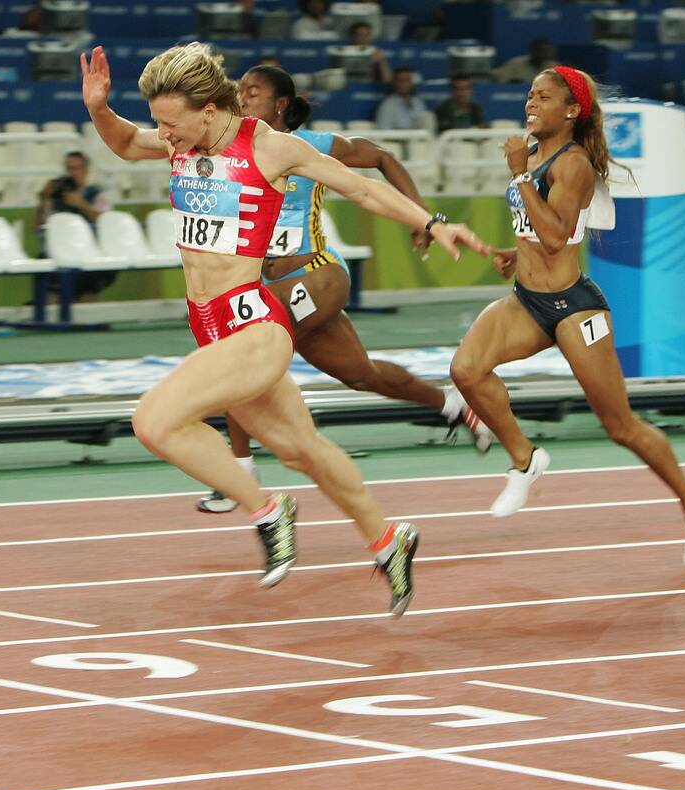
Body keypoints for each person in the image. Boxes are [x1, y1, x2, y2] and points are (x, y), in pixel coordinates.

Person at [79, 43, 490, 615]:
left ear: (207, 108)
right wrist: (99, 107)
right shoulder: (183, 139)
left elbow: (363, 187)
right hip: (211, 327)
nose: (163, 136)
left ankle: (268, 510)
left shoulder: (270, 147)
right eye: (159, 124)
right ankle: (388, 537)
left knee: (154, 420)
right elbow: (124, 142)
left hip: (252, 323)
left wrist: (433, 222)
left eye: (170, 125)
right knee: (305, 450)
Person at [449, 65, 685, 566]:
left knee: (620, 427)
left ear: (572, 111)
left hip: (574, 307)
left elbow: (555, 234)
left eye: (544, 97)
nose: (531, 102)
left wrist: (518, 175)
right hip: (526, 300)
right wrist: (516, 249)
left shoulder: (570, 164)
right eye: (529, 93)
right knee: (465, 370)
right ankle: (525, 460)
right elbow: (544, 231)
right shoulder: (533, 155)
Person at [193, 65, 494, 513]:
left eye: (252, 92)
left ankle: (240, 470)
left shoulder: (308, 146)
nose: (242, 98)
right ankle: (453, 405)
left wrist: (424, 218)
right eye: (239, 92)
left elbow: (382, 159)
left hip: (318, 273)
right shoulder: (232, 152)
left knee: (241, 341)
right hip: (268, 284)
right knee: (359, 374)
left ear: (279, 105)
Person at [35, 151, 115, 298]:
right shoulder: (56, 197)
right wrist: (43, 200)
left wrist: (82, 205)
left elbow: (106, 222)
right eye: (70, 168)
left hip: (89, 251)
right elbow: (37, 227)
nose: (73, 173)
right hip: (59, 250)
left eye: (77, 168)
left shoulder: (96, 194)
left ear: (86, 170)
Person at [491, 39, 556, 85]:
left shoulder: (554, 67)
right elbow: (496, 76)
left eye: (547, 51)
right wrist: (512, 83)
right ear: (534, 51)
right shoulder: (516, 63)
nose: (544, 53)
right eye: (542, 50)